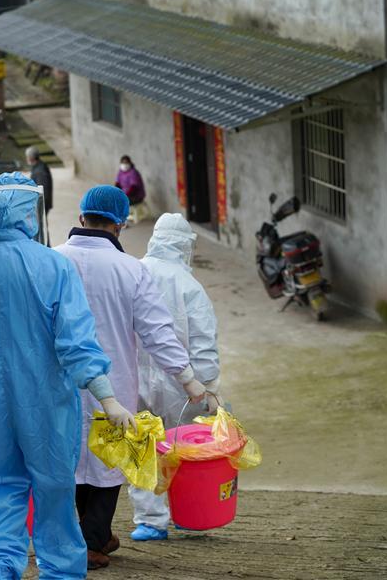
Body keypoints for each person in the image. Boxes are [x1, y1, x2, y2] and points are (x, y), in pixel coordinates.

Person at [0, 173, 134, 580]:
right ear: (29, 213)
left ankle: (0, 568)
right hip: (47, 402)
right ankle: (61, 572)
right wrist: (108, 398)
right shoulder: (54, 265)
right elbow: (77, 342)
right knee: (54, 487)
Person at [54, 185, 206, 570]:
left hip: (61, 384)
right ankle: (90, 541)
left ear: (80, 217)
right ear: (121, 224)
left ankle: (95, 535)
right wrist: (187, 377)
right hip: (114, 384)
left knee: (74, 458)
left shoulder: (52, 262)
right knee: (110, 460)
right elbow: (157, 332)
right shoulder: (130, 269)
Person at [129, 213, 223, 542]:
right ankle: (186, 512)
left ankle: (150, 521)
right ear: (185, 246)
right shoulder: (189, 286)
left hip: (134, 378)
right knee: (182, 452)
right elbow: (203, 342)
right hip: (182, 386)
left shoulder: (132, 272)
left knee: (142, 448)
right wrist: (209, 387)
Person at [26, 146, 53, 213]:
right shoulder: (38, 166)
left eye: (27, 157)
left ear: (31, 158)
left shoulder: (40, 171)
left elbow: (43, 191)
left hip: (42, 205)